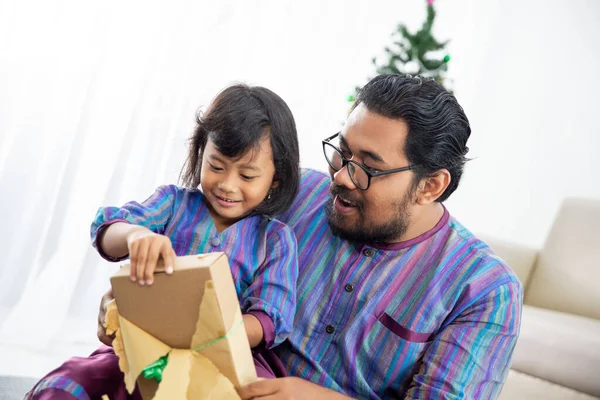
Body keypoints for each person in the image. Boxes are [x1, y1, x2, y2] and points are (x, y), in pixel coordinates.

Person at [33, 74, 523, 400]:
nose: (342, 177)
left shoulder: (483, 290)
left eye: (368, 168)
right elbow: (182, 238)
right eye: (341, 152)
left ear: (431, 185)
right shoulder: (287, 192)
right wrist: (135, 299)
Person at [27, 83, 300, 399]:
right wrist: (135, 235)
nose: (227, 184)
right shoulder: (173, 204)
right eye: (216, 166)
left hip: (224, 358)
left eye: (247, 176)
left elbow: (269, 319)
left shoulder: (276, 239)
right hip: (146, 343)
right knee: (78, 381)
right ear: (200, 153)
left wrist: (212, 331)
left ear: (275, 179)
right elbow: (106, 230)